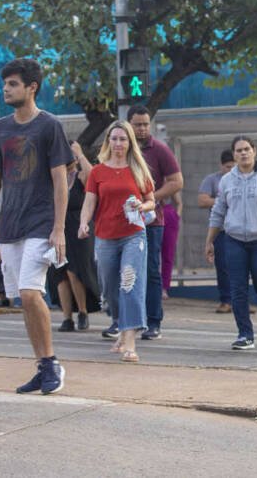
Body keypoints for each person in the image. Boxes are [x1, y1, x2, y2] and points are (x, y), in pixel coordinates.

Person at [0, 58, 73, 395]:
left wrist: (59, 228)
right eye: (5, 84)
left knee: (32, 292)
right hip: (10, 225)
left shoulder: (49, 126)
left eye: (13, 84)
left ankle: (52, 365)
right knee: (21, 300)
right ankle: (43, 365)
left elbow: (61, 180)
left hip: (41, 223)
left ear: (32, 87)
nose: (6, 89)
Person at [79, 122, 155, 362]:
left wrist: (143, 206)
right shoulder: (98, 172)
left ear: (130, 142)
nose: (119, 144)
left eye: (123, 139)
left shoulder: (139, 170)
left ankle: (130, 342)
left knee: (129, 283)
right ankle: (121, 326)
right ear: (108, 142)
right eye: (114, 139)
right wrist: (84, 223)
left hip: (134, 234)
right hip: (105, 236)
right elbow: (89, 202)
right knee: (110, 288)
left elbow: (152, 201)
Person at [205, 136, 257, 350]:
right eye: (239, 150)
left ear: (254, 151)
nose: (243, 153)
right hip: (234, 241)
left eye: (247, 149)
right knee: (237, 289)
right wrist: (210, 241)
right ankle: (245, 334)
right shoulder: (226, 181)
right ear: (233, 154)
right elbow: (218, 212)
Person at [126, 105, 183, 342]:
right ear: (128, 123)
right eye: (137, 124)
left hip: (151, 221)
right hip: (121, 223)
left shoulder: (159, 149)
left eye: (145, 124)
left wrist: (151, 199)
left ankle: (153, 322)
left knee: (150, 271)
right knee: (124, 272)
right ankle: (123, 322)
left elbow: (177, 182)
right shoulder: (120, 147)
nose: (142, 128)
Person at [54, 142, 101, 332]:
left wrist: (80, 154)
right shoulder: (57, 176)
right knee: (60, 273)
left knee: (76, 271)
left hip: (79, 227)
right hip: (59, 227)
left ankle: (82, 311)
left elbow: (93, 176)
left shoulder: (81, 175)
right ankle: (67, 317)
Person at [198, 149, 236, 314]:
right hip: (221, 230)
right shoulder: (212, 180)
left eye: (233, 167)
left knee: (241, 267)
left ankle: (240, 301)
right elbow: (202, 200)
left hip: (240, 231)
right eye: (228, 167)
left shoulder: (243, 179)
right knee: (223, 267)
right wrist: (223, 201)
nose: (231, 170)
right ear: (221, 165)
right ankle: (226, 301)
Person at [160, 191, 182, 299]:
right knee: (149, 254)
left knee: (168, 254)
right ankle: (149, 286)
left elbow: (179, 202)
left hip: (168, 215)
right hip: (149, 212)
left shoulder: (169, 181)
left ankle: (164, 287)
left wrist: (177, 215)